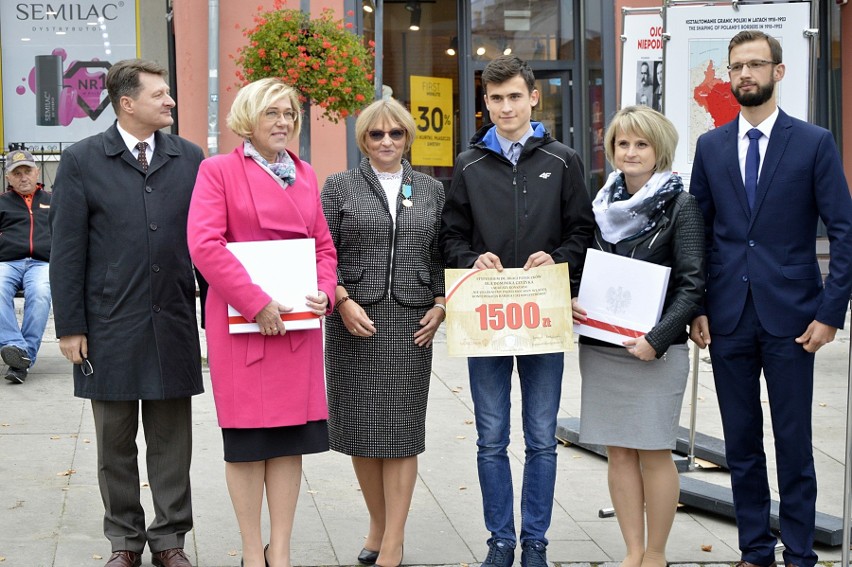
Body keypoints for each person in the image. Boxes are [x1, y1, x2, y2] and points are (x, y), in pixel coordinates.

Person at [689, 30, 852, 567]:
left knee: (794, 444)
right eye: (736, 66)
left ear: (778, 72)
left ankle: (800, 554)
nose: (744, 75)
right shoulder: (710, 147)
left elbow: (844, 231)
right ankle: (755, 550)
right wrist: (698, 307)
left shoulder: (813, 142)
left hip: (794, 319)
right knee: (740, 444)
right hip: (729, 319)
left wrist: (831, 313)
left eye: (756, 65)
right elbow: (698, 233)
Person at [440, 55, 594, 567]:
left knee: (543, 438)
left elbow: (582, 232)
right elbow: (451, 236)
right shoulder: (468, 165)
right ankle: (500, 541)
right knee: (490, 437)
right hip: (484, 320)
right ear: (485, 104)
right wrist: (469, 258)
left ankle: (536, 543)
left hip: (542, 314)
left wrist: (561, 259)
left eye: (514, 96)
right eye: (495, 98)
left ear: (533, 97)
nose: (505, 106)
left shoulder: (565, 159)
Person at [50, 59, 204, 567]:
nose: (170, 101)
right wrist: (70, 325)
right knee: (113, 442)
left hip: (173, 320)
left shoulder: (190, 158)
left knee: (171, 442)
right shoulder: (82, 160)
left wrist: (218, 314)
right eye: (160, 94)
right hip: (108, 323)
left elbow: (206, 242)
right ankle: (124, 541)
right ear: (127, 103)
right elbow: (67, 251)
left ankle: (170, 541)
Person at [187, 77, 337, 567]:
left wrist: (324, 291)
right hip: (243, 326)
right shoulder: (218, 172)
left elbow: (322, 245)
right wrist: (256, 302)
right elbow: (204, 245)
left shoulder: (306, 174)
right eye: (272, 112)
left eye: (290, 113)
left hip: (296, 327)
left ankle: (283, 549)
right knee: (248, 443)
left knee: (288, 439)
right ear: (248, 119)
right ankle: (254, 551)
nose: (283, 122)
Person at [572, 106, 705, 567]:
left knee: (653, 451)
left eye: (641, 144)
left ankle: (656, 552)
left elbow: (692, 284)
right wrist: (571, 299)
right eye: (623, 144)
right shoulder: (601, 205)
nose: (630, 152)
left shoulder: (681, 205)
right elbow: (586, 268)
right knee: (619, 453)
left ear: (659, 151)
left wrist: (658, 338)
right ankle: (631, 550)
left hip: (656, 352)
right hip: (604, 350)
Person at [320, 98, 445, 567]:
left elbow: (440, 254)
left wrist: (440, 303)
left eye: (396, 133)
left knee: (402, 431)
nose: (387, 141)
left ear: (408, 137)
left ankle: (394, 539)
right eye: (377, 134)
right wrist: (340, 298)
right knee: (362, 430)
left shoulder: (431, 189)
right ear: (363, 140)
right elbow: (322, 250)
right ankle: (377, 524)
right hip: (355, 320)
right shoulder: (339, 187)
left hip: (413, 323)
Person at [0, 149, 52, 384]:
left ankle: (22, 357)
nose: (23, 177)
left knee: (41, 293)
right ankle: (18, 349)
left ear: (36, 172)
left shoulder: (54, 201)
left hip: (42, 263)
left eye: (27, 171)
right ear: (8, 177)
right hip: (7, 262)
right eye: (17, 173)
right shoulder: (2, 202)